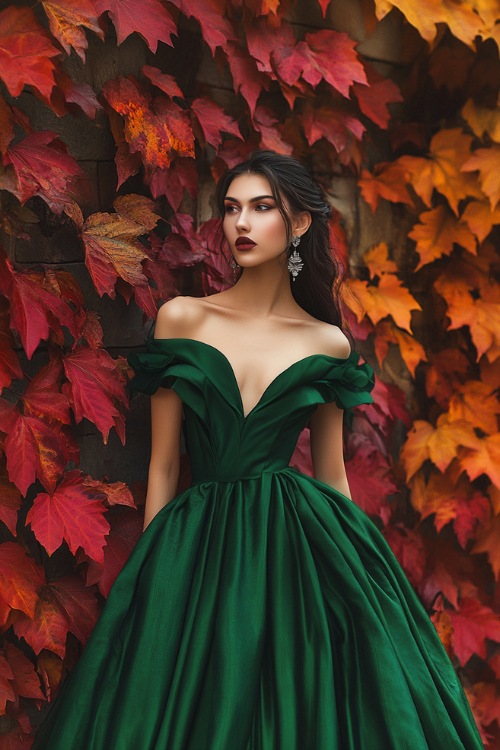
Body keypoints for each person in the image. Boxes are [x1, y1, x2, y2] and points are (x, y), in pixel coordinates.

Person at [32, 150, 484, 749]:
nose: (241, 223)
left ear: (298, 224)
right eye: (231, 209)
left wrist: (357, 583)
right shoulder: (182, 320)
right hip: (197, 540)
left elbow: (332, 476)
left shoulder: (326, 343)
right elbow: (164, 464)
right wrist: (156, 578)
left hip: (297, 541)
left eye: (262, 208)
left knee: (306, 699)